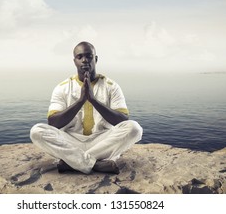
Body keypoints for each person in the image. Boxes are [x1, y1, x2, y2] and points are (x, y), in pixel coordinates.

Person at [30, 41, 143, 174]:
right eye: (80, 57)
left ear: (95, 59)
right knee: (36, 131)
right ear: (74, 61)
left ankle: (74, 162)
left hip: (102, 142)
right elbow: (53, 123)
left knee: (134, 128)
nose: (84, 60)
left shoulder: (111, 86)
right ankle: (94, 163)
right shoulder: (62, 87)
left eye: (89, 56)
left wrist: (93, 100)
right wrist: (81, 101)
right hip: (71, 142)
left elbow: (122, 121)